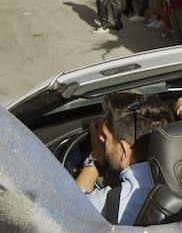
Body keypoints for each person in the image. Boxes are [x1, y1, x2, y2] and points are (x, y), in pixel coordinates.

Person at [74, 93, 174, 226]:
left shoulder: (112, 203)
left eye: (105, 137)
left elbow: (68, 210)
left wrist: (96, 155)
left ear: (123, 150)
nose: (102, 140)